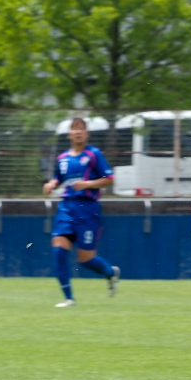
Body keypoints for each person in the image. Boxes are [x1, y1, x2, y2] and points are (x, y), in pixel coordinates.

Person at [42, 117, 121, 307]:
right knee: (59, 251)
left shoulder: (94, 154)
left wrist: (87, 184)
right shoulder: (62, 158)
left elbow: (109, 178)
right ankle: (69, 298)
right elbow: (58, 177)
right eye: (74, 129)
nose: (78, 132)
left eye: (82, 129)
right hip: (66, 207)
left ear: (86, 134)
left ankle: (110, 273)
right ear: (69, 134)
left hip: (88, 210)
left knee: (86, 260)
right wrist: (52, 184)